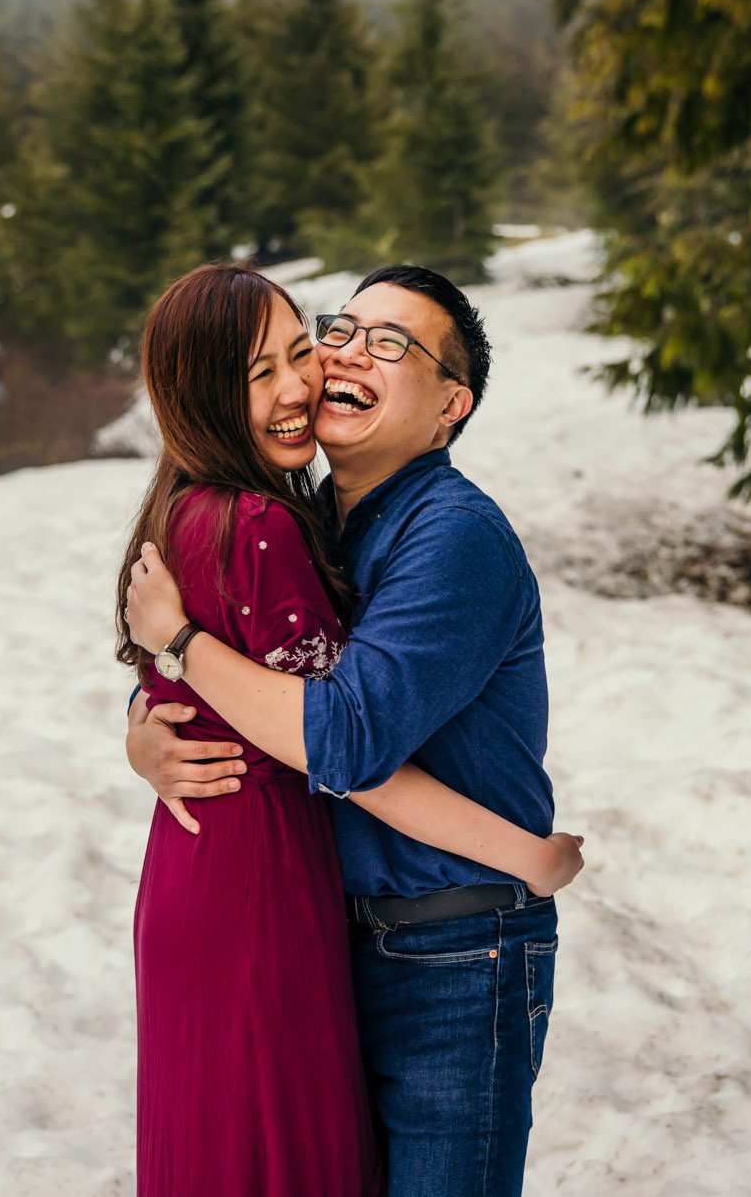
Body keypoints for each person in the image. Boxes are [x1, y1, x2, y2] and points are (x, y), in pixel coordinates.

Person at [115, 264, 584, 1197]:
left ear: (453, 404)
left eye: (391, 343)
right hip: (327, 935)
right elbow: (247, 685)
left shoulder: (454, 537)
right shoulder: (303, 517)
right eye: (343, 329)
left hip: (453, 951)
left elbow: (344, 739)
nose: (343, 355)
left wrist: (178, 643)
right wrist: (143, 727)